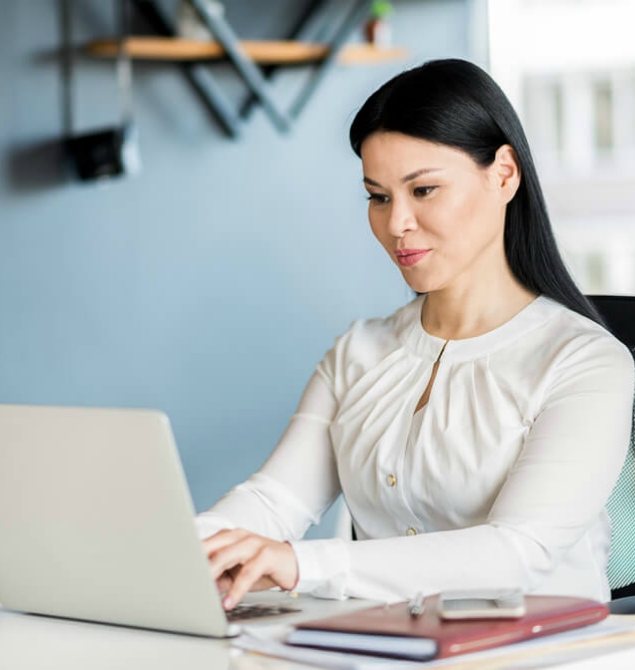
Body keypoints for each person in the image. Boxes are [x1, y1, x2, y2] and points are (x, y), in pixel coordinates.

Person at [195, 59, 635, 610]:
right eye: (378, 197)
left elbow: (516, 553)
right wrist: (180, 547)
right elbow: (274, 499)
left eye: (423, 190)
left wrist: (300, 564)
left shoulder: (586, 361)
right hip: (391, 648)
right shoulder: (359, 351)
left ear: (504, 175)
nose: (396, 222)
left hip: (547, 655)